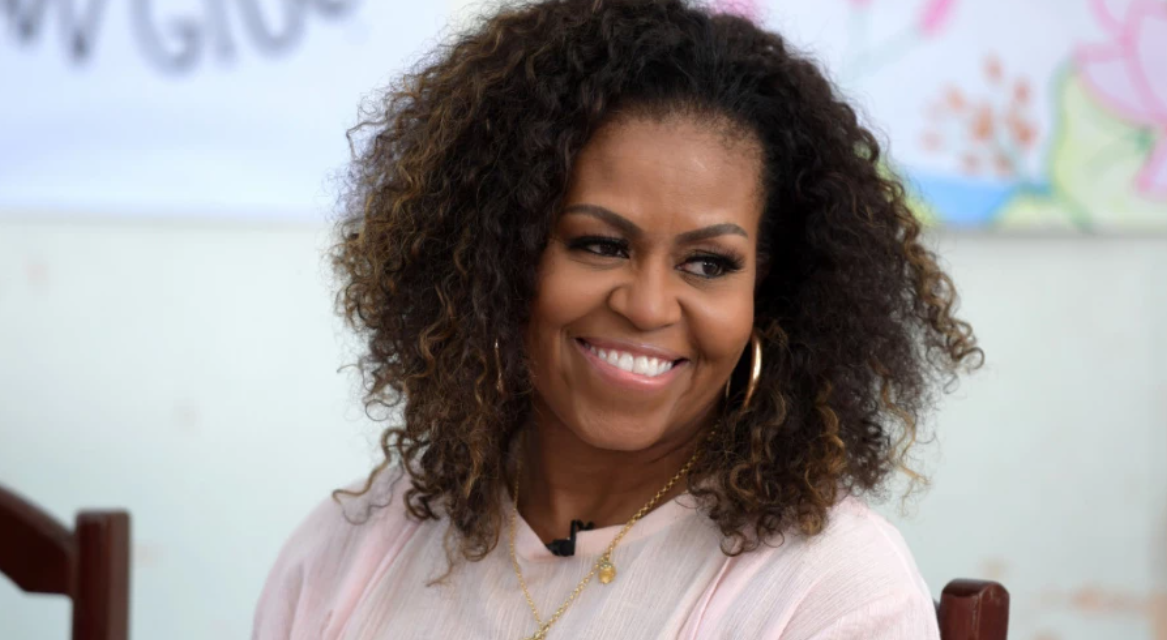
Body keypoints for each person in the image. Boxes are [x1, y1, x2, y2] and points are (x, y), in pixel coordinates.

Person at [252, 0, 983, 637]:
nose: (647, 305)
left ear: (770, 296)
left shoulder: (831, 592)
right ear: (497, 262)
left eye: (708, 263)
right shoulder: (354, 548)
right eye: (600, 245)